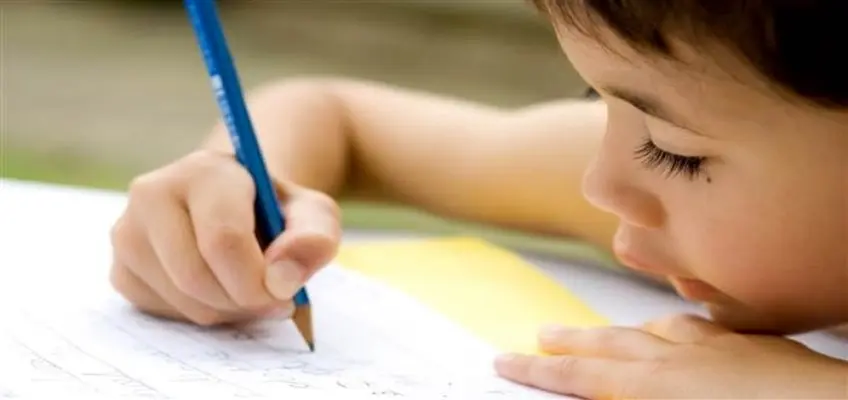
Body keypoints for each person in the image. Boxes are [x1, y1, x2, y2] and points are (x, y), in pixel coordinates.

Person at [108, 0, 848, 398]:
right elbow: (334, 115)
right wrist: (229, 197)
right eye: (594, 97)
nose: (599, 183)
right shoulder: (651, 191)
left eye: (671, 149)